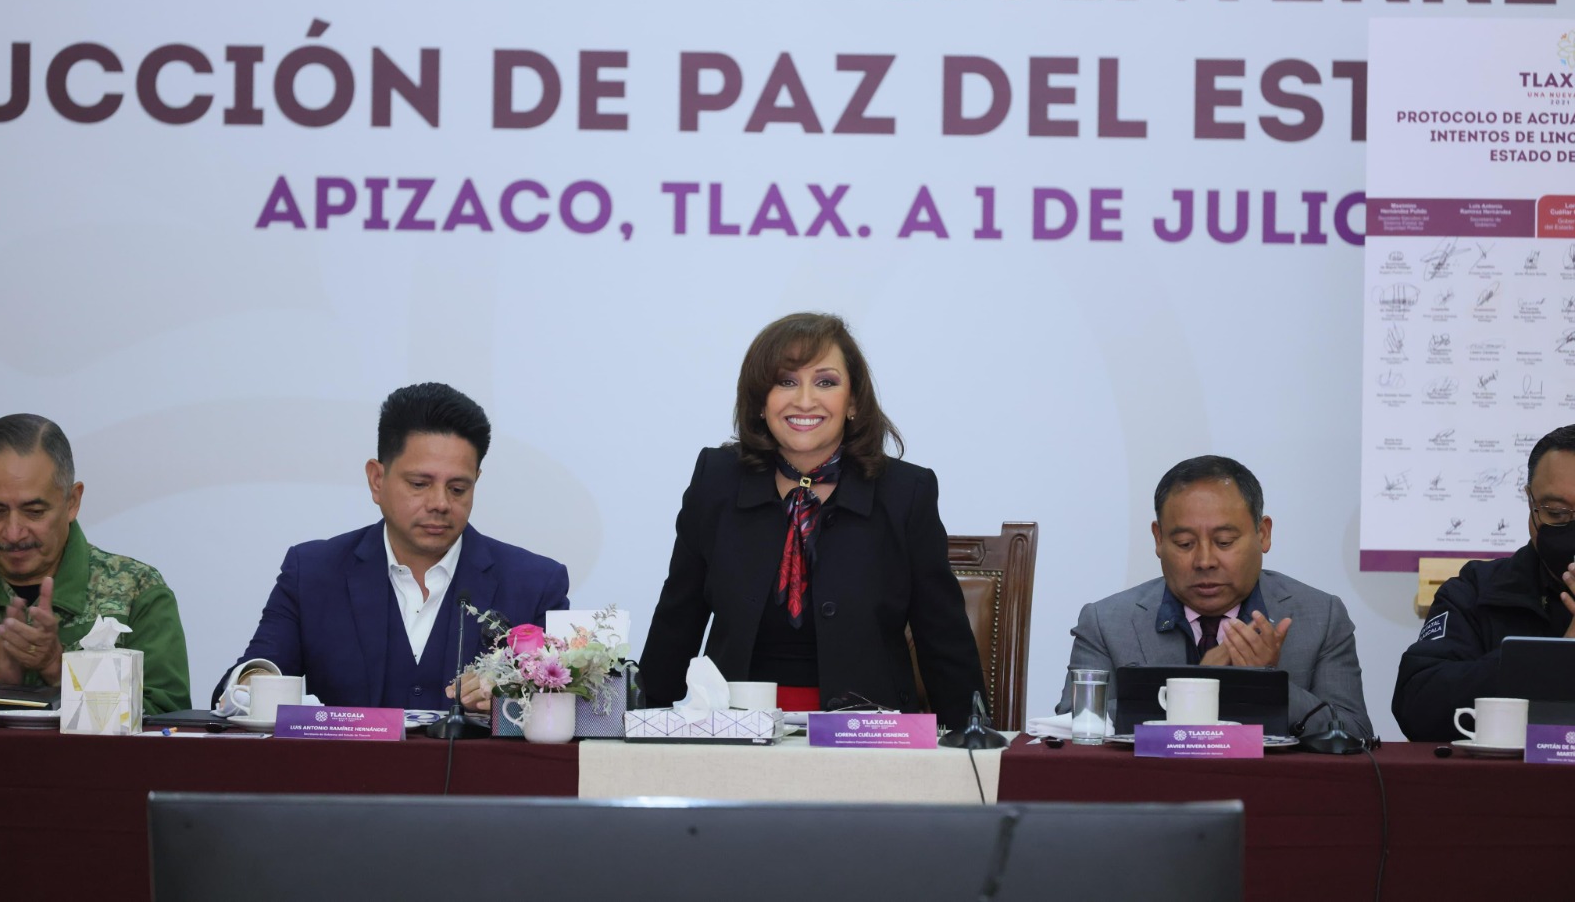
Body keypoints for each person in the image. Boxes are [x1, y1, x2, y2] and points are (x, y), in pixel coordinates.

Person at [639, 312, 985, 728]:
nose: (804, 401)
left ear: (853, 402)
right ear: (760, 401)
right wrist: (640, 724)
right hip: (736, 729)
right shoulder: (717, 480)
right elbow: (678, 617)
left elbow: (942, 636)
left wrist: (972, 737)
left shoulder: (905, 492)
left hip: (867, 733)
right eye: (786, 381)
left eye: (825, 382)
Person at [216, 383, 569, 712]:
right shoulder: (312, 572)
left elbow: (569, 709)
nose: (440, 503)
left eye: (458, 489)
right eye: (419, 484)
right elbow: (250, 679)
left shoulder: (535, 584)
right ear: (377, 480)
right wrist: (253, 682)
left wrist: (514, 698)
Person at [1055, 455, 1372, 736]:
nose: (1205, 561)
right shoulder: (1107, 622)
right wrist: (1195, 686)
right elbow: (1071, 729)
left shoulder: (1321, 617)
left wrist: (1268, 686)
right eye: (1184, 544)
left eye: (1224, 542)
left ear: (1263, 534)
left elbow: (1355, 734)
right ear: (1158, 539)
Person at [0, 414, 191, 714]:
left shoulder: (137, 591)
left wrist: (58, 670)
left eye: (34, 511)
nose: (13, 533)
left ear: (72, 502)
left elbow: (169, 722)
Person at [1393, 424, 1575, 741]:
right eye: (1556, 513)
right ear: (1530, 502)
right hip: (1511, 773)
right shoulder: (1476, 590)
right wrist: (1549, 659)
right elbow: (1418, 705)